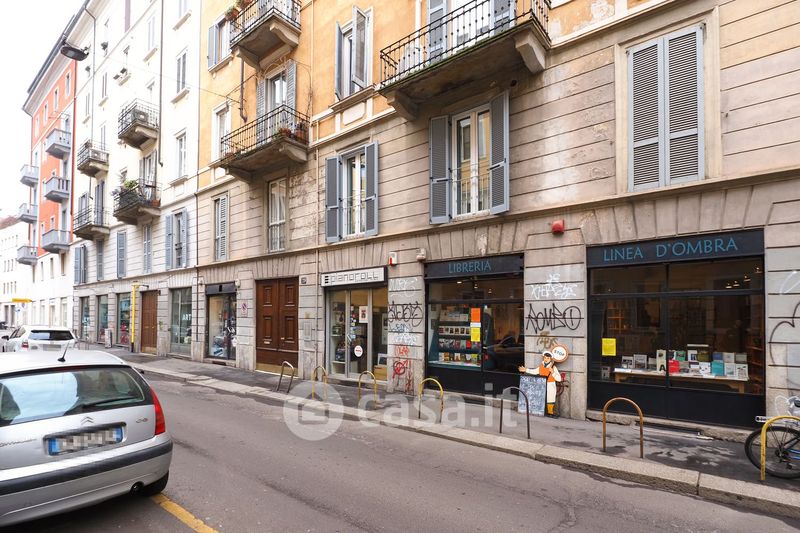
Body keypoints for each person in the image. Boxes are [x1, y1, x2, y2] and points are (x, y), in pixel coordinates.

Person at [519, 351, 562, 417]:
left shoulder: (553, 368)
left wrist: (553, 372)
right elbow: (535, 371)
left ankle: (550, 412)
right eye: (545, 358)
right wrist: (526, 370)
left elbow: (559, 379)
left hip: (550, 385)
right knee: (541, 397)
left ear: (550, 359)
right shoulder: (541, 366)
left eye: (548, 358)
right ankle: (542, 410)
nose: (546, 359)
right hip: (542, 384)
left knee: (550, 398)